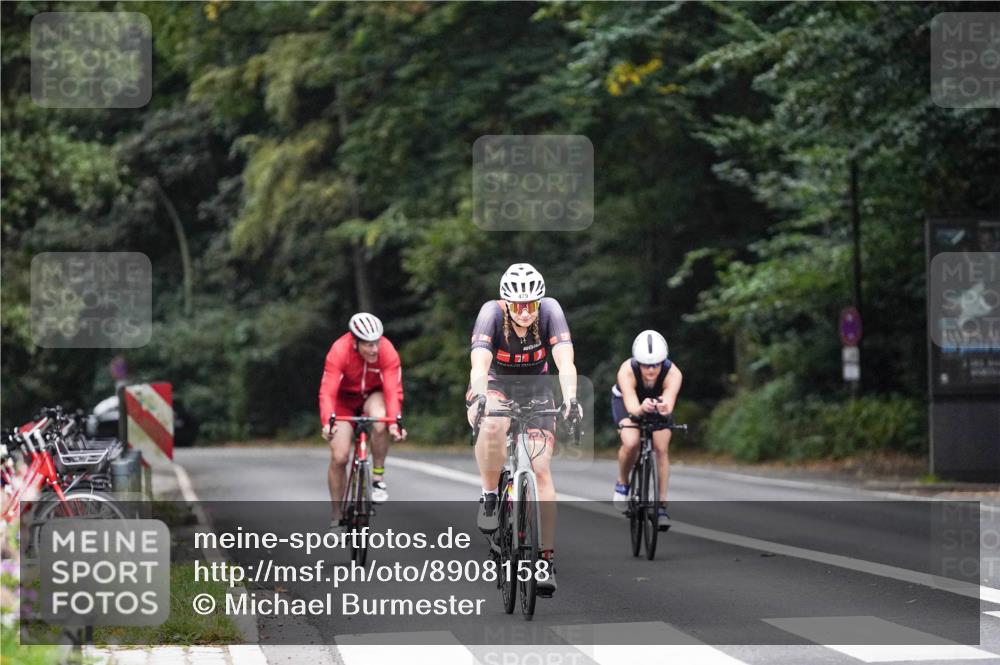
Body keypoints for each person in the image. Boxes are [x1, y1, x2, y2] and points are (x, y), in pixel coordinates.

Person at [467, 263, 581, 597]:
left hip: (536, 389)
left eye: (531, 305)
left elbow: (565, 362)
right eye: (518, 306)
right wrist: (480, 398)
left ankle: (544, 558)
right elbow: (478, 365)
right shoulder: (490, 314)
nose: (526, 312)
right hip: (495, 383)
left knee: (541, 469)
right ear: (506, 304)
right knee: (492, 424)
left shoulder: (550, 312)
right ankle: (490, 496)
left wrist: (571, 399)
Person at [319, 313, 406, 533]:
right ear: (355, 342)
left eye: (376, 343)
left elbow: (393, 392)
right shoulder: (339, 351)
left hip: (371, 397)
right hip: (343, 401)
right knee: (339, 456)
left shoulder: (387, 351)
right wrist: (327, 422)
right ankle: (337, 517)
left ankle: (377, 478)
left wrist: (395, 423)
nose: (374, 349)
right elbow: (327, 392)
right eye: (368, 345)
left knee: (380, 421)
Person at [611, 330, 683, 527]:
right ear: (637, 362)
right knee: (631, 441)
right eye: (645, 365)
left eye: (656, 365)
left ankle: (661, 506)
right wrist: (641, 408)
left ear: (663, 362)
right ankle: (623, 481)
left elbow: (669, 402)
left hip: (656, 405)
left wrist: (663, 407)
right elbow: (632, 406)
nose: (651, 370)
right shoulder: (626, 370)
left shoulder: (673, 373)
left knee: (661, 449)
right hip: (628, 403)